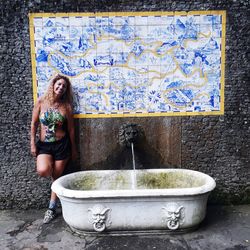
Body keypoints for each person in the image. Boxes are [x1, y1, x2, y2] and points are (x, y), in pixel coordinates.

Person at [30, 73, 77, 224]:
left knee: (57, 178)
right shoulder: (41, 102)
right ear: (53, 85)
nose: (61, 87)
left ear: (66, 90)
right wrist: (32, 143)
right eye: (59, 84)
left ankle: (51, 208)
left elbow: (71, 130)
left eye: (64, 86)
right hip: (44, 146)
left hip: (62, 145)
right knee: (43, 170)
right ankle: (56, 201)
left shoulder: (66, 107)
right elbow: (34, 124)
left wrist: (74, 149)